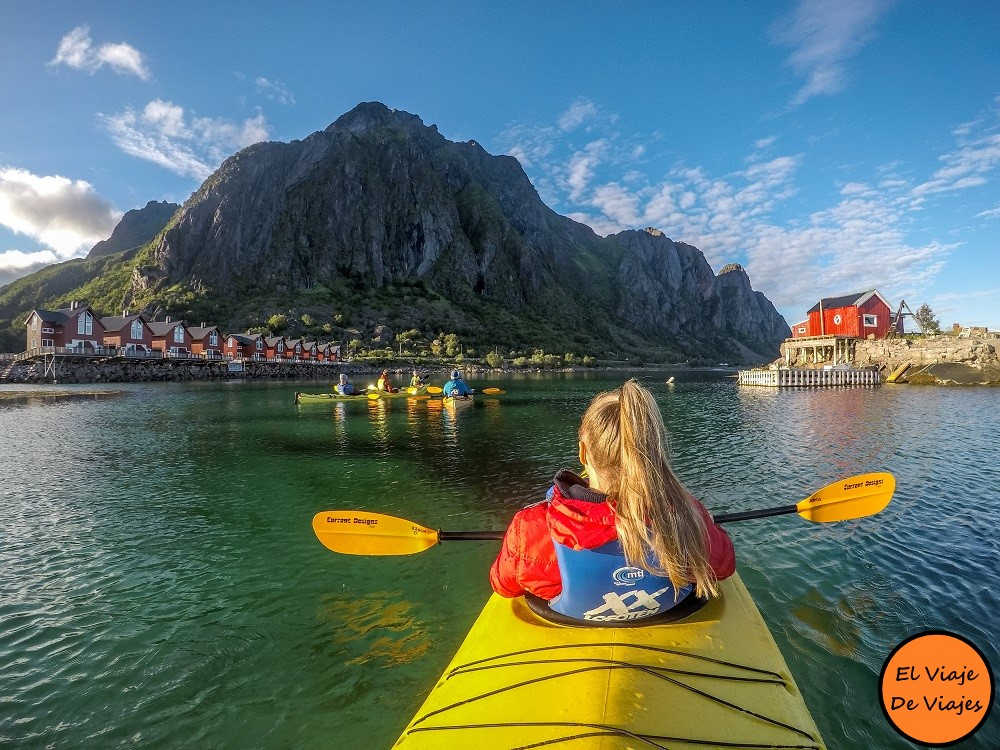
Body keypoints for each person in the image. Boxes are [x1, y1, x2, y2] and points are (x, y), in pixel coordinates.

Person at [489, 379, 735, 623]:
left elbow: (502, 585)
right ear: (652, 452)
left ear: (583, 452)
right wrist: (706, 522)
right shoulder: (687, 518)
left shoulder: (530, 530)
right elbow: (725, 566)